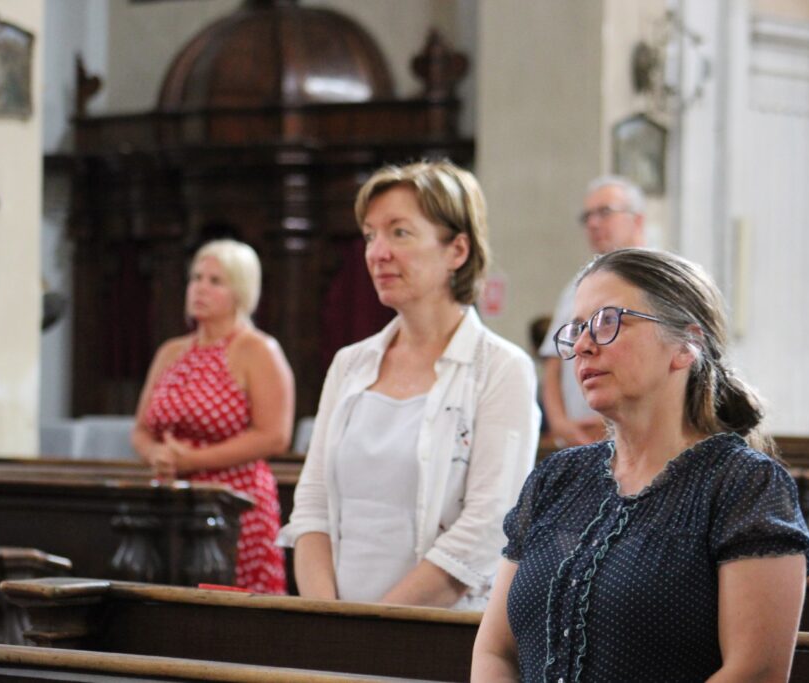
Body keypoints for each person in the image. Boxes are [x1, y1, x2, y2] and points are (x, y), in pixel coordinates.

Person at [473, 248, 809, 681]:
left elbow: (755, 672)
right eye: (578, 328)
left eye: (607, 321)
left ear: (686, 346)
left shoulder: (743, 485)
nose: (582, 345)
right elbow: (495, 651)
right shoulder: (557, 478)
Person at [278, 160, 540, 610]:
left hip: (435, 628)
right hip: (336, 626)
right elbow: (313, 505)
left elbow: (487, 525)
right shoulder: (351, 364)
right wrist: (326, 620)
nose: (377, 253)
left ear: (457, 250)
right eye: (370, 235)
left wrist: (377, 627)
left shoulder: (500, 368)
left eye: (399, 232)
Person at [132, 239, 294, 594]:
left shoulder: (257, 350)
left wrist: (194, 459)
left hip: (235, 504)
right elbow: (141, 429)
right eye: (196, 278)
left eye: (215, 281)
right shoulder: (171, 351)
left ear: (241, 292)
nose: (200, 288)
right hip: (172, 501)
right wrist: (155, 454)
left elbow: (274, 436)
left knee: (233, 606)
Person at [540, 176, 646, 447]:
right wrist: (561, 424)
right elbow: (553, 365)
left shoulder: (658, 281)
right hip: (580, 443)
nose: (593, 223)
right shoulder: (576, 287)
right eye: (587, 216)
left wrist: (623, 418)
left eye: (605, 212)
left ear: (637, 220)